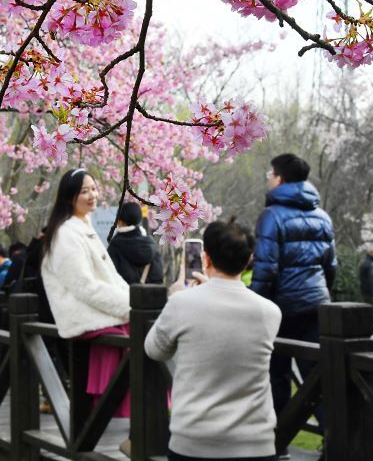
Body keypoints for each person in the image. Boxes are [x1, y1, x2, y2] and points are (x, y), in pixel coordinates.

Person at [146, 219, 281, 461]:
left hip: (193, 441)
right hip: (256, 444)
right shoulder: (270, 312)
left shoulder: (182, 303)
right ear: (249, 259)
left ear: (205, 258)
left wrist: (175, 296)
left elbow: (154, 349)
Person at [249, 153, 335, 429]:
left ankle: (279, 440)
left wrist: (254, 305)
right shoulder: (322, 217)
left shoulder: (271, 216)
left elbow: (265, 269)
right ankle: (334, 440)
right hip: (317, 304)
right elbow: (330, 266)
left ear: (280, 178)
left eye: (269, 175)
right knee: (317, 376)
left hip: (282, 307)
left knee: (276, 373)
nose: (268, 180)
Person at [41, 169, 131, 419]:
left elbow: (110, 278)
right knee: (141, 342)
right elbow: (84, 286)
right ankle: (117, 423)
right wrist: (129, 305)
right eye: (84, 191)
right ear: (70, 196)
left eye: (94, 188)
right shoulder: (66, 234)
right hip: (85, 318)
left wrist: (131, 300)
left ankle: (134, 427)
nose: (92, 195)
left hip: (98, 313)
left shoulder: (81, 227)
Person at [107, 201, 164, 285]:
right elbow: (158, 278)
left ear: (120, 221)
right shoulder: (151, 244)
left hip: (125, 296)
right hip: (149, 295)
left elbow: (110, 277)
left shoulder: (115, 246)